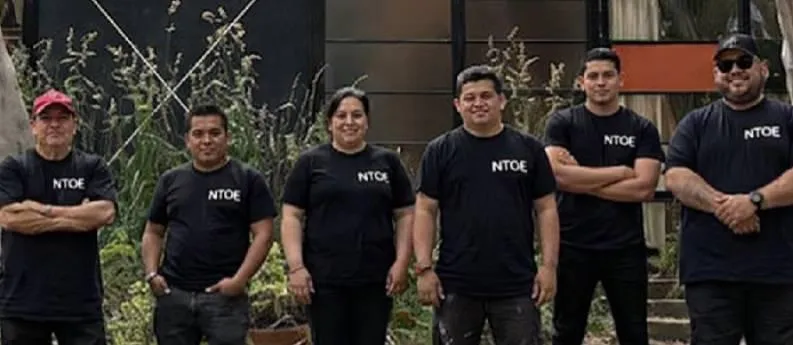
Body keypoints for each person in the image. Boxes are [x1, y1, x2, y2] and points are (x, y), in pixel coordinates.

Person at [412, 65, 560, 345]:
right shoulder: (440, 150)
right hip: (455, 284)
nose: (478, 103)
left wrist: (549, 266)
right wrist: (424, 269)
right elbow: (425, 210)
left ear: (501, 100)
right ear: (458, 105)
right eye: (469, 98)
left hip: (517, 283)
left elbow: (546, 209)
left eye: (486, 96)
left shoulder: (528, 149)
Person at [665, 33, 793, 345]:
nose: (734, 69)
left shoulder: (786, 117)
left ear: (763, 68)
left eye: (743, 61)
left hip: (779, 271)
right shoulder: (695, 124)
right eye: (725, 64)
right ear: (716, 73)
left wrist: (756, 201)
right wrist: (727, 207)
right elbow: (676, 177)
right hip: (711, 271)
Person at [543, 48, 664, 345]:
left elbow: (644, 188)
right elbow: (557, 177)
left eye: (608, 75)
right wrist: (621, 171)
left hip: (625, 248)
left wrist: (581, 179)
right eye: (593, 76)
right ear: (580, 82)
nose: (600, 82)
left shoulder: (641, 128)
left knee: (634, 333)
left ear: (621, 80)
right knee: (566, 332)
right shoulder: (562, 123)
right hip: (573, 245)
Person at [280, 86, 415, 345]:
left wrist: (401, 263)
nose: (349, 122)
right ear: (330, 123)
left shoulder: (387, 162)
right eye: (341, 116)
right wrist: (296, 267)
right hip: (324, 280)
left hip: (375, 279)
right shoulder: (310, 162)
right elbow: (291, 216)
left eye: (357, 115)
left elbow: (406, 215)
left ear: (367, 121)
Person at [140, 104, 277, 345]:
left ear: (228, 138)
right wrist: (152, 273)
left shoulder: (248, 179)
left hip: (225, 298)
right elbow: (153, 231)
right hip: (175, 295)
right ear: (187, 140)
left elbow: (264, 235)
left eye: (215, 133)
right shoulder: (171, 180)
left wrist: (239, 281)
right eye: (198, 134)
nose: (206, 141)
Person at [0, 89, 117, 345]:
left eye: (62, 118)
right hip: (23, 301)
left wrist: (41, 210)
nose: (54, 125)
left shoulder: (92, 167)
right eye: (46, 118)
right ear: (33, 126)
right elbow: (9, 218)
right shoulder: (14, 168)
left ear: (74, 125)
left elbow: (105, 212)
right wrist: (78, 215)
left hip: (80, 303)